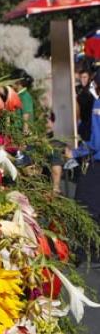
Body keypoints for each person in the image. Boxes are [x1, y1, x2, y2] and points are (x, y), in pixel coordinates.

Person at [68, 69, 100, 227]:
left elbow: (96, 142)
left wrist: (74, 152)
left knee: (87, 210)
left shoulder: (98, 103)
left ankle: (85, 251)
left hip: (97, 164)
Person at [11, 69, 34, 134]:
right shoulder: (18, 94)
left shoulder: (25, 96)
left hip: (21, 133)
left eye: (11, 81)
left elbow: (26, 115)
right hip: (16, 132)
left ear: (18, 82)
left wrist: (25, 131)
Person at [76, 64, 95, 141]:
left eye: (85, 77)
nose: (82, 79)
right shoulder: (77, 88)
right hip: (81, 120)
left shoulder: (92, 89)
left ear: (89, 78)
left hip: (89, 121)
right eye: (81, 77)